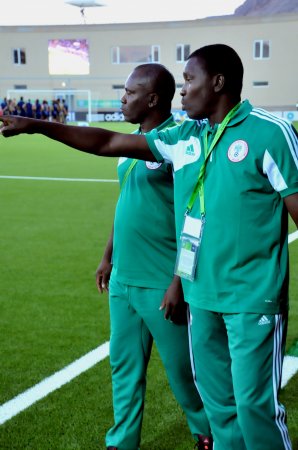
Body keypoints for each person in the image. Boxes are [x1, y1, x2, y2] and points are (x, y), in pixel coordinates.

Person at [1, 44, 297, 450]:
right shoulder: (186, 137)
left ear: (218, 82)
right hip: (202, 297)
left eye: (190, 80)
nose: (183, 91)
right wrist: (36, 125)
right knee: (223, 411)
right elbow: (105, 142)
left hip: (250, 298)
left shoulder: (270, 133)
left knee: (254, 411)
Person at [95, 63, 212, 450]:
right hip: (123, 279)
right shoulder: (130, 144)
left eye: (129, 93)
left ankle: (208, 434)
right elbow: (125, 202)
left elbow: (195, 214)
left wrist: (178, 281)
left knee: (184, 373)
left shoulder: (178, 142)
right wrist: (108, 256)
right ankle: (122, 442)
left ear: (153, 99)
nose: (122, 98)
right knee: (123, 367)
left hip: (162, 281)